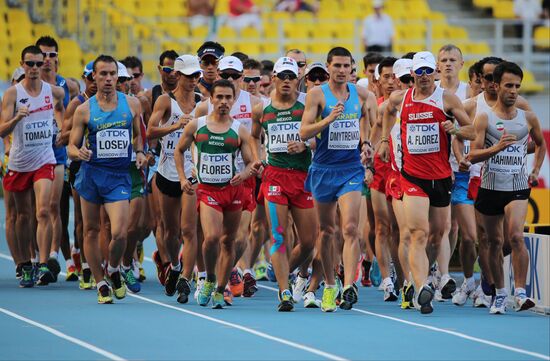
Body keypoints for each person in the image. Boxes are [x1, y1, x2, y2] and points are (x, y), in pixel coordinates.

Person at [378, 51, 475, 314]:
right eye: (417, 72)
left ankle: (429, 276)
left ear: (434, 72)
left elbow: (471, 130)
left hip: (442, 177)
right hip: (412, 177)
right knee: (417, 232)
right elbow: (386, 112)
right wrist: (385, 140)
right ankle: (421, 287)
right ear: (413, 74)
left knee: (438, 234)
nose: (422, 77)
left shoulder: (447, 99)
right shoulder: (401, 98)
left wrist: (454, 129)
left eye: (426, 71)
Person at [174, 79, 261, 309]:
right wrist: (183, 178)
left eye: (228, 98)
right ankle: (209, 278)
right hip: (208, 191)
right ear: (211, 99)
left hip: (232, 191)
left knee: (228, 241)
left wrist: (243, 175)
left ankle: (221, 290)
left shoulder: (238, 130)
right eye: (219, 97)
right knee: (211, 238)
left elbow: (251, 162)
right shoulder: (197, 125)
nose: (223, 102)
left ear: (233, 100)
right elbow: (179, 150)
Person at [68, 55, 147, 304]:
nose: (109, 78)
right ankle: (101, 282)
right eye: (103, 74)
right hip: (91, 176)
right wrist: (78, 152)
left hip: (118, 177)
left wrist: (141, 152)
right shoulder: (84, 110)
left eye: (113, 73)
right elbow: (71, 146)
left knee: (121, 233)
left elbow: (138, 136)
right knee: (90, 230)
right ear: (94, 77)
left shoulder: (132, 105)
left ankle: (113, 268)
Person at [469, 61, 546, 314]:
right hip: (490, 187)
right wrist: (496, 149)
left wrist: (534, 169)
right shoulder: (484, 118)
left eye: (517, 86)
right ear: (496, 85)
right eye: (508, 86)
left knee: (514, 236)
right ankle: (500, 292)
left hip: (517, 186)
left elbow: (541, 144)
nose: (513, 91)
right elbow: (474, 155)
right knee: (492, 242)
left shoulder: (528, 117)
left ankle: (521, 293)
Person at [300, 47, 373, 312]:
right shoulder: (317, 95)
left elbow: (366, 122)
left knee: (351, 228)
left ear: (352, 68)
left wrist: (366, 143)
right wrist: (328, 119)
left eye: (346, 66)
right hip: (323, 170)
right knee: (326, 231)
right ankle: (330, 284)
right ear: (329, 67)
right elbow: (304, 131)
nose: (342, 71)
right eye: (337, 66)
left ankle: (348, 285)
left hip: (351, 169)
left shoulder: (360, 93)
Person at [251, 57, 317, 311]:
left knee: (309, 241)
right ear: (274, 78)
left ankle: (280, 269)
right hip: (275, 177)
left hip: (303, 177)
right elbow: (255, 137)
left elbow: (321, 136)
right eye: (283, 76)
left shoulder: (307, 104)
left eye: (292, 77)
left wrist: (306, 144)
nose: (287, 81)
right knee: (279, 236)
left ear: (297, 79)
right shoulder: (263, 109)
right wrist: (257, 160)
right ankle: (284, 290)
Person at [0, 45, 65, 287]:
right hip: (19, 162)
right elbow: (1, 130)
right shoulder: (12, 94)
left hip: (44, 160)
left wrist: (60, 128)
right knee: (22, 217)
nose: (35, 68)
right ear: (22, 64)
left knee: (44, 211)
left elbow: (62, 108)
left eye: (39, 64)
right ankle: (24, 263)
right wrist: (17, 117)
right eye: (30, 64)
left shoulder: (54, 91)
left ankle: (43, 263)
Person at [147, 55, 202, 303]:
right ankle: (170, 265)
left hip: (192, 173)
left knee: (189, 230)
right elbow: (150, 132)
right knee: (170, 231)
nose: (194, 80)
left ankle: (184, 279)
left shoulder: (203, 103)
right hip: (167, 172)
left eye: (197, 75)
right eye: (189, 75)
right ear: (177, 76)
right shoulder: (165, 101)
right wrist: (175, 126)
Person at [60, 60, 98, 289]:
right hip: (79, 166)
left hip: (103, 166)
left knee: (103, 223)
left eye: (97, 78)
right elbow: (63, 135)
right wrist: (79, 134)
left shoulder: (107, 104)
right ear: (85, 79)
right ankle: (85, 266)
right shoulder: (77, 104)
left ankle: (98, 264)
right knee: (83, 221)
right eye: (90, 78)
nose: (94, 83)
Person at [36, 35, 70, 283]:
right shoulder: (24, 85)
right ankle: (32, 256)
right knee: (35, 212)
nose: (48, 60)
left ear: (58, 58)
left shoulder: (67, 87)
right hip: (31, 154)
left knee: (53, 207)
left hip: (56, 153)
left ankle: (51, 256)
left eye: (52, 55)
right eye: (43, 55)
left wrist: (63, 133)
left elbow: (68, 119)